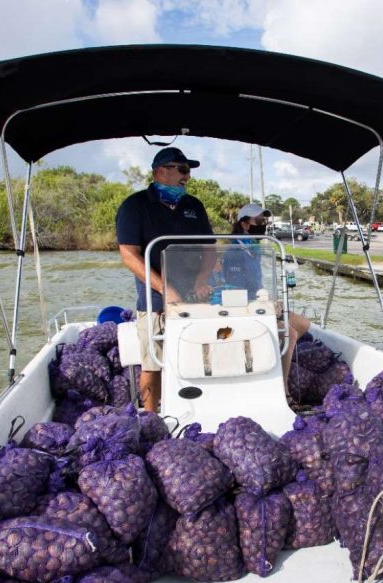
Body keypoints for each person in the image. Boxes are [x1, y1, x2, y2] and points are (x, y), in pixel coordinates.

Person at [116, 147, 216, 412]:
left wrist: (202, 279)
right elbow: (128, 255)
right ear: (161, 171)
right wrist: (165, 288)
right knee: (153, 363)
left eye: (189, 171)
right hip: (155, 301)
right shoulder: (134, 206)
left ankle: (202, 408)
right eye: (182, 170)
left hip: (197, 298)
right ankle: (151, 417)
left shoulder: (194, 206)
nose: (188, 177)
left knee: (201, 357)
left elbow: (209, 248)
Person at [226, 204, 311, 397]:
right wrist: (263, 302)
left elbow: (256, 284)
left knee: (303, 324)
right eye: (259, 221)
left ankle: (272, 365)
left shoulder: (252, 248)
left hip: (258, 304)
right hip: (243, 308)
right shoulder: (234, 251)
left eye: (265, 221)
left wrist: (271, 299)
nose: (263, 225)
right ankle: (282, 389)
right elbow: (236, 289)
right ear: (245, 224)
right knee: (289, 332)